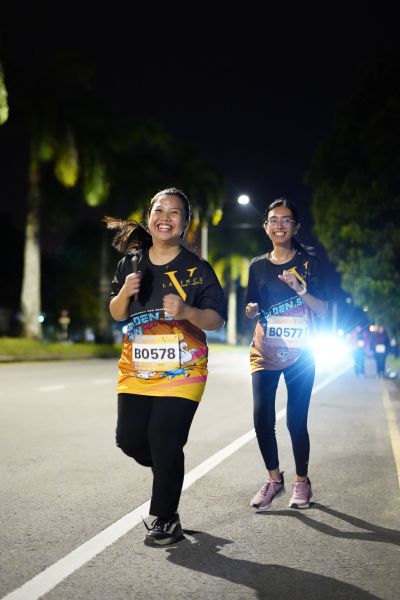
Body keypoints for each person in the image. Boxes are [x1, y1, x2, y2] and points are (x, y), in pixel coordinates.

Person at [104, 187, 227, 546]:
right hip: (137, 370)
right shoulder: (130, 264)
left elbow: (215, 319)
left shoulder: (197, 269)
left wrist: (187, 312)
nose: (165, 217)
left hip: (184, 370)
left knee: (164, 438)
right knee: (129, 440)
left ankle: (166, 517)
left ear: (185, 224)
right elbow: (117, 312)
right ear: (149, 217)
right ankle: (167, 468)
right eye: (159, 210)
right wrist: (125, 292)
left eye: (174, 212)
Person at [245, 198, 327, 511]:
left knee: (295, 420)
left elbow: (324, 309)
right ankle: (274, 479)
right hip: (265, 351)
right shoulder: (257, 266)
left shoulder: (309, 263)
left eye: (286, 220)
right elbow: (253, 306)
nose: (279, 225)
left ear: (296, 227)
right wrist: (251, 310)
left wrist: (300, 289)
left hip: (301, 353)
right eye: (273, 220)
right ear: (265, 227)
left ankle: (301, 482)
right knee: (262, 419)